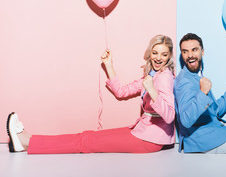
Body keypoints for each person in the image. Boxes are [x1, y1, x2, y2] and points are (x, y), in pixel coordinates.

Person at [7, 34, 176, 154]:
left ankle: (28, 142)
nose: (158, 58)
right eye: (155, 53)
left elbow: (169, 116)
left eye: (164, 54)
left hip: (150, 140)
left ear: (169, 57)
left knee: (87, 141)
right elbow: (121, 91)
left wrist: (153, 92)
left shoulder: (165, 78)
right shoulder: (152, 75)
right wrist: (109, 65)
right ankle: (28, 141)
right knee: (88, 137)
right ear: (149, 53)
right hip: (141, 131)